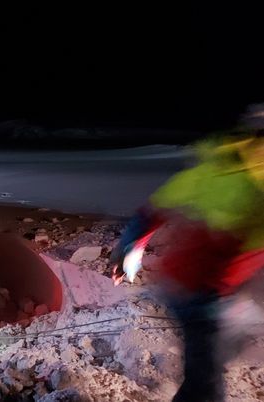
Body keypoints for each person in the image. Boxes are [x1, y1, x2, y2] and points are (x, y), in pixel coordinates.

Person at [111, 124, 264, 402]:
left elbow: (147, 216)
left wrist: (126, 255)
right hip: (203, 292)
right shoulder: (254, 182)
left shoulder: (205, 172)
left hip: (189, 284)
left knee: (215, 353)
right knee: (204, 377)